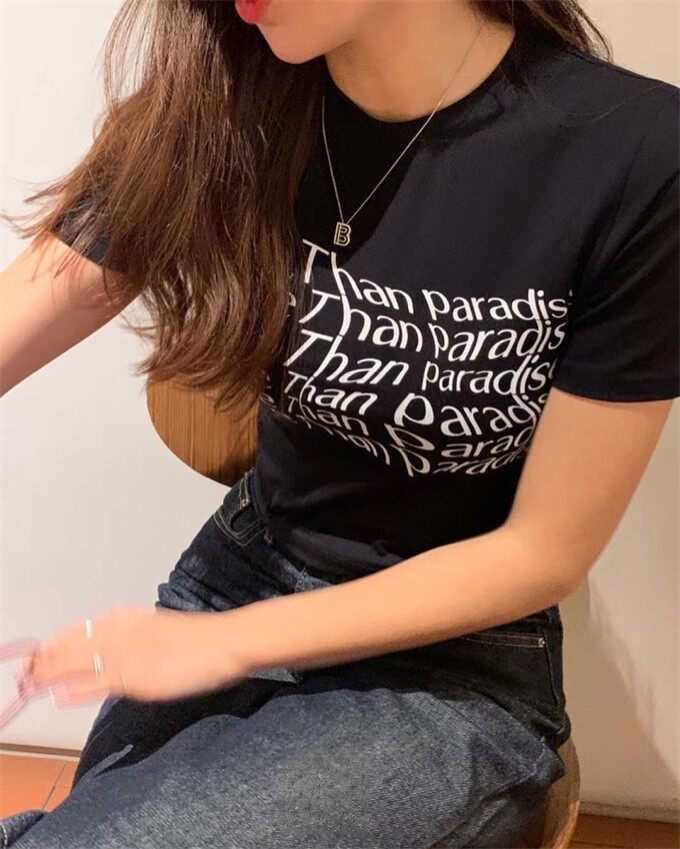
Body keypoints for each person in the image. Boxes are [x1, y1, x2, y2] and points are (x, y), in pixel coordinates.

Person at [1, 0, 678, 846]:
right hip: (244, 567)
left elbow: (544, 552)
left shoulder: (636, 153)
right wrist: (224, 632)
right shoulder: (220, 103)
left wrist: (228, 644)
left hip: (453, 658)